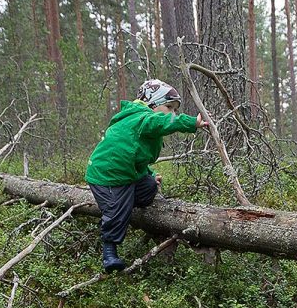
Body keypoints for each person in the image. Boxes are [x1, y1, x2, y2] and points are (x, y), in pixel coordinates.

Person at [86, 79, 209, 272]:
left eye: (175, 109)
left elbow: (135, 155)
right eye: (169, 107)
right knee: (116, 211)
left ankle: (128, 202)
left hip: (127, 172)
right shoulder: (142, 118)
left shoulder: (142, 122)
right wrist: (190, 122)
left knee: (149, 186)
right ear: (152, 105)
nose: (172, 112)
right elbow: (161, 121)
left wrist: (148, 175)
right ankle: (109, 252)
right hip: (108, 176)